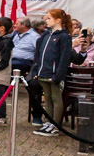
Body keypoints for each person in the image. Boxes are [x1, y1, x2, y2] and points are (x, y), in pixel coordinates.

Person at [29, 8, 74, 137]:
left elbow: (64, 58)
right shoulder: (46, 35)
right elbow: (39, 55)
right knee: (47, 99)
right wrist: (36, 70)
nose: (46, 20)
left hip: (54, 75)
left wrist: (57, 76)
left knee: (56, 98)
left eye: (49, 18)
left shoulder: (64, 36)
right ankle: (49, 122)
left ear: (58, 20)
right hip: (43, 72)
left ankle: (55, 125)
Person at [9, 16, 42, 125]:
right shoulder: (16, 35)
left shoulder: (34, 36)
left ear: (24, 25)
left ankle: (37, 115)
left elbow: (39, 53)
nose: (14, 25)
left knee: (34, 86)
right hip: (12, 62)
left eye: (17, 23)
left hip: (26, 63)